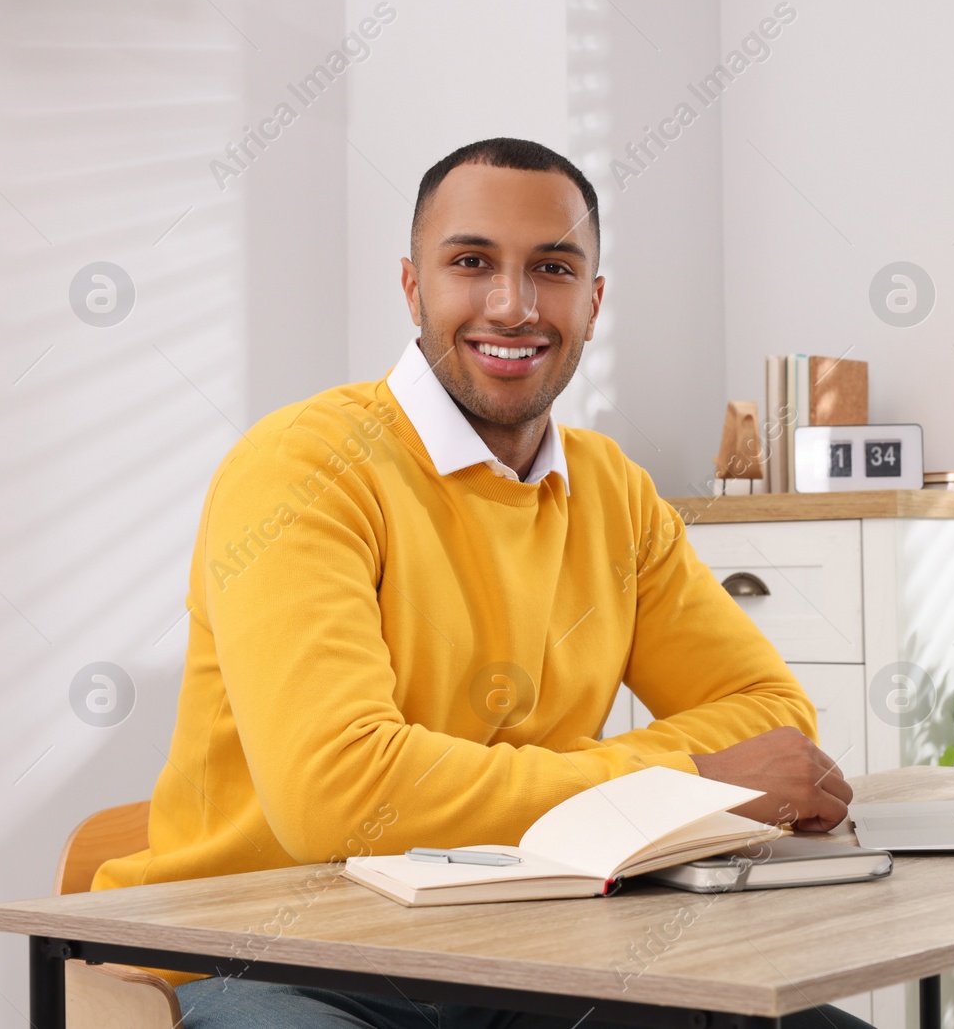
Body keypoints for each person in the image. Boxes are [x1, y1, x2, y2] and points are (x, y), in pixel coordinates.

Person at [94, 137, 865, 1029]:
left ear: (593, 300)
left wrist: (581, 790)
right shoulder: (303, 469)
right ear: (413, 287)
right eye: (471, 263)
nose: (513, 304)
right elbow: (339, 795)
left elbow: (771, 717)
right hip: (256, 957)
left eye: (553, 267)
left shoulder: (612, 489)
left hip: (517, 951)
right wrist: (682, 776)